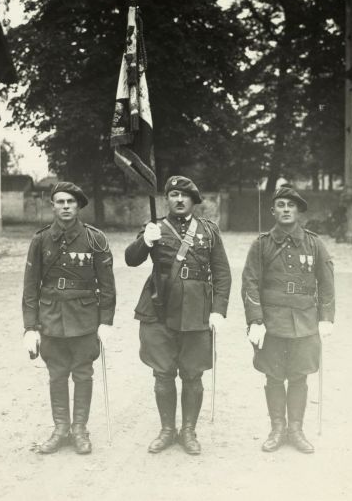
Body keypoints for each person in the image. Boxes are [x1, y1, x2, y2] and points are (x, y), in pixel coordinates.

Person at [125, 176, 231, 455]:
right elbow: (131, 259)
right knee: (162, 373)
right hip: (159, 308)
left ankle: (188, 431)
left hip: (196, 310)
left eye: (184, 195)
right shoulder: (155, 227)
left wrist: (218, 310)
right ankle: (167, 430)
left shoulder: (209, 231)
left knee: (193, 374)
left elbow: (222, 272)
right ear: (166, 199)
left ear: (194, 201)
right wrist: (145, 242)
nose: (179, 200)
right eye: (173, 194)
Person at [22, 181, 116, 455]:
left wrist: (106, 321)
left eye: (70, 202)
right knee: (56, 374)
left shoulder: (95, 239)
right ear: (53, 206)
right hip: (50, 318)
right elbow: (30, 287)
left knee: (83, 374)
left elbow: (107, 285)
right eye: (60, 202)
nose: (65, 206)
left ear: (78, 206)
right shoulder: (41, 240)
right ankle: (60, 428)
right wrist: (30, 327)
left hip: (85, 318)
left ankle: (79, 429)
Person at [241, 186, 335, 454]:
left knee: (299, 378)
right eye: (280, 205)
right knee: (273, 377)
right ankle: (277, 428)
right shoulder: (261, 245)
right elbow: (249, 283)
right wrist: (255, 320)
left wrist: (326, 318)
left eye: (290, 205)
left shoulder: (314, 244)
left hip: (305, 322)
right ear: (273, 211)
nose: (285, 209)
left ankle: (295, 429)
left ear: (298, 211)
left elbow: (327, 284)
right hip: (272, 323)